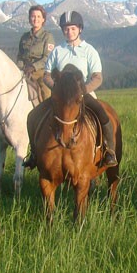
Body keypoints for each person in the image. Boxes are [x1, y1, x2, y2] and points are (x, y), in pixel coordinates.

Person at [23, 10, 117, 168]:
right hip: (60, 97)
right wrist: (56, 89)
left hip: (82, 95)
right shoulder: (57, 51)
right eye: (66, 29)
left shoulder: (89, 51)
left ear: (80, 29)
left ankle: (109, 151)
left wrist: (83, 90)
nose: (69, 32)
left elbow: (97, 77)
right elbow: (47, 75)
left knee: (102, 115)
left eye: (73, 28)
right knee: (33, 116)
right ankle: (34, 153)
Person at [16, 5, 54, 103]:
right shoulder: (24, 37)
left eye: (38, 16)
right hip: (24, 71)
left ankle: (48, 109)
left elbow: (47, 57)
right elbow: (20, 55)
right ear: (29, 19)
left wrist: (33, 67)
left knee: (46, 91)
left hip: (41, 72)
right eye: (33, 16)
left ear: (43, 19)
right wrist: (21, 68)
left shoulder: (47, 37)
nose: (35, 19)